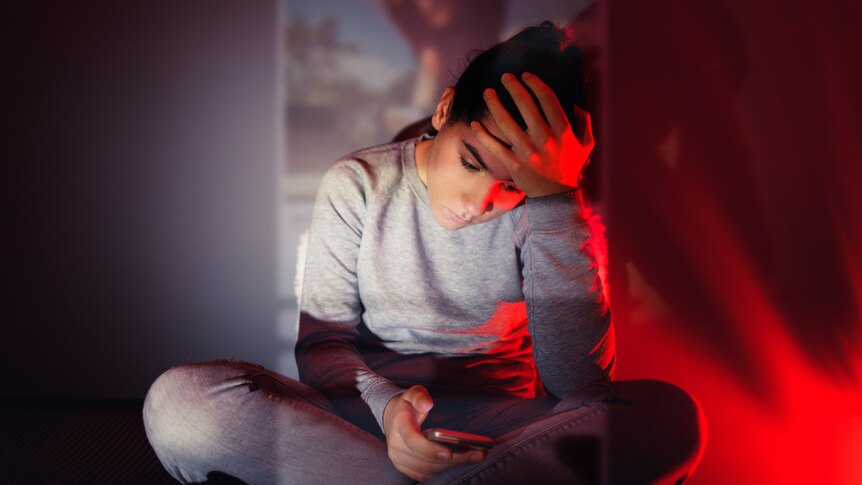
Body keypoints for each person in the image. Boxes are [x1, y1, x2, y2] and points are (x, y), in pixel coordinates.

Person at [143, 21, 706, 484]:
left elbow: (579, 387)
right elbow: (323, 346)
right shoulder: (358, 182)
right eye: (472, 162)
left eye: (513, 185)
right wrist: (391, 412)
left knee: (670, 418)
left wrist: (554, 201)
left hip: (502, 432)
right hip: (362, 419)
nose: (481, 203)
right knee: (181, 402)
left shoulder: (558, 212)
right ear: (443, 112)